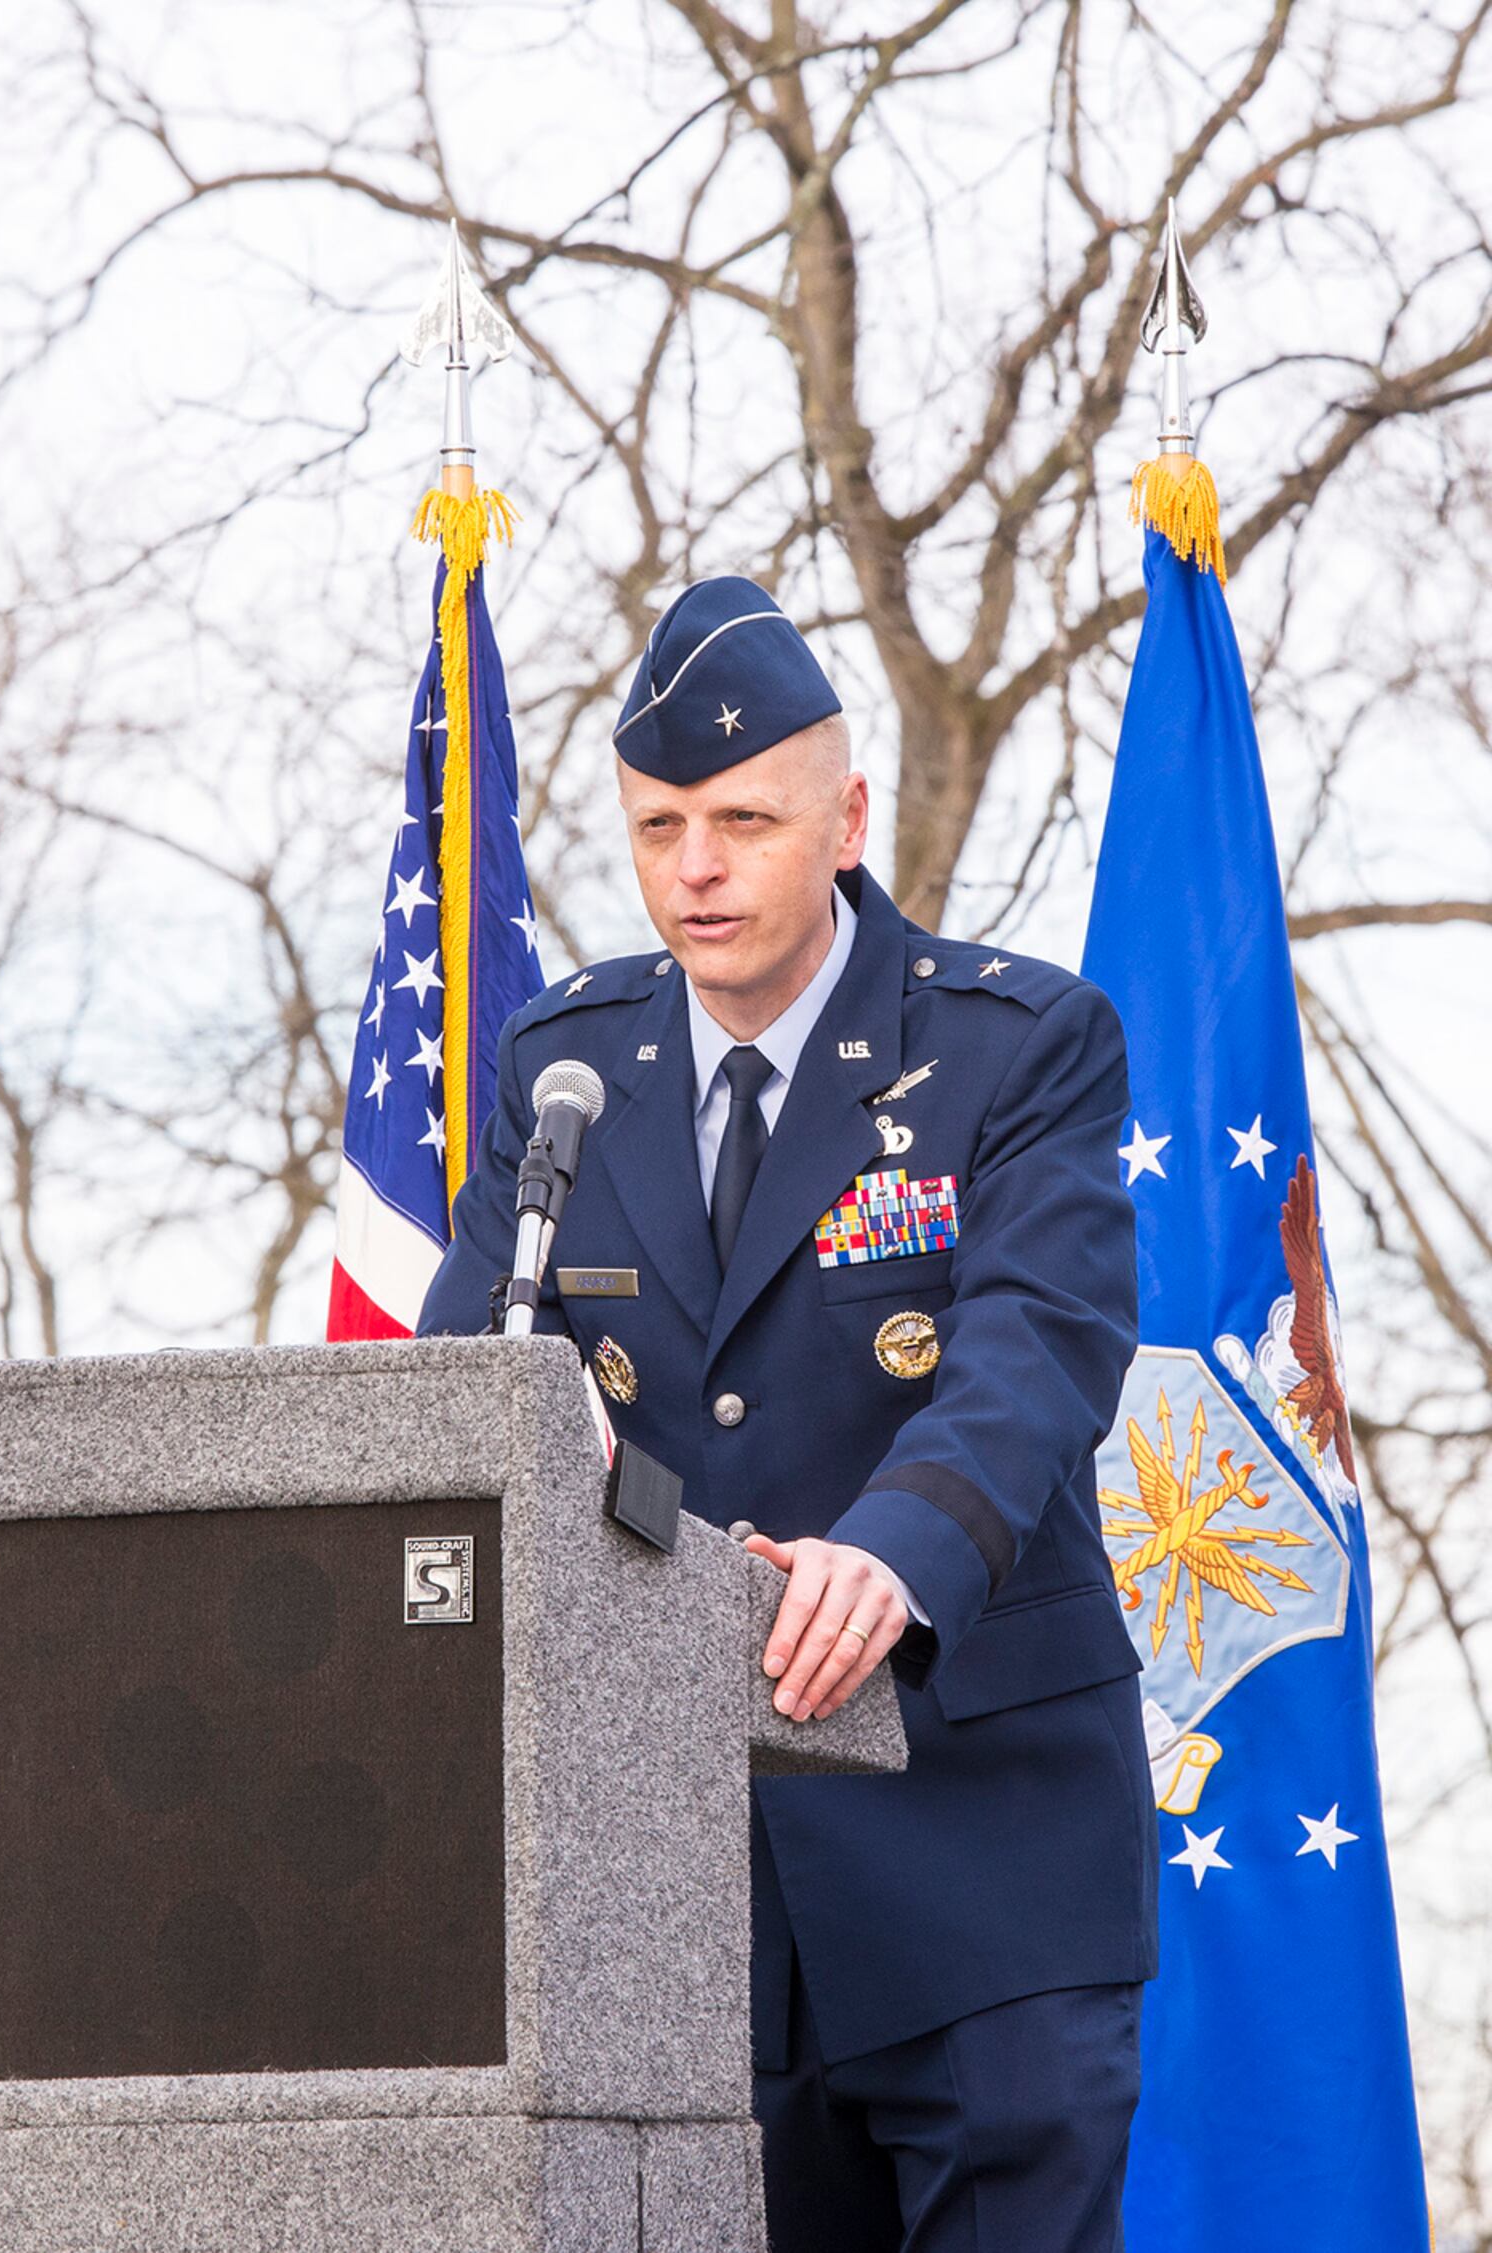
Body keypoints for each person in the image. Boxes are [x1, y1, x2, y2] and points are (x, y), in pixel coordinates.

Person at [415, 575, 1159, 2253]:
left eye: (744, 818)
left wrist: (891, 1557)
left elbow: (1036, 1345)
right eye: (660, 822)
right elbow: (451, 1408)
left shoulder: (1013, 1045)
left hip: (983, 1855)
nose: (696, 867)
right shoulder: (564, 1073)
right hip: (682, 1905)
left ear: (847, 818)